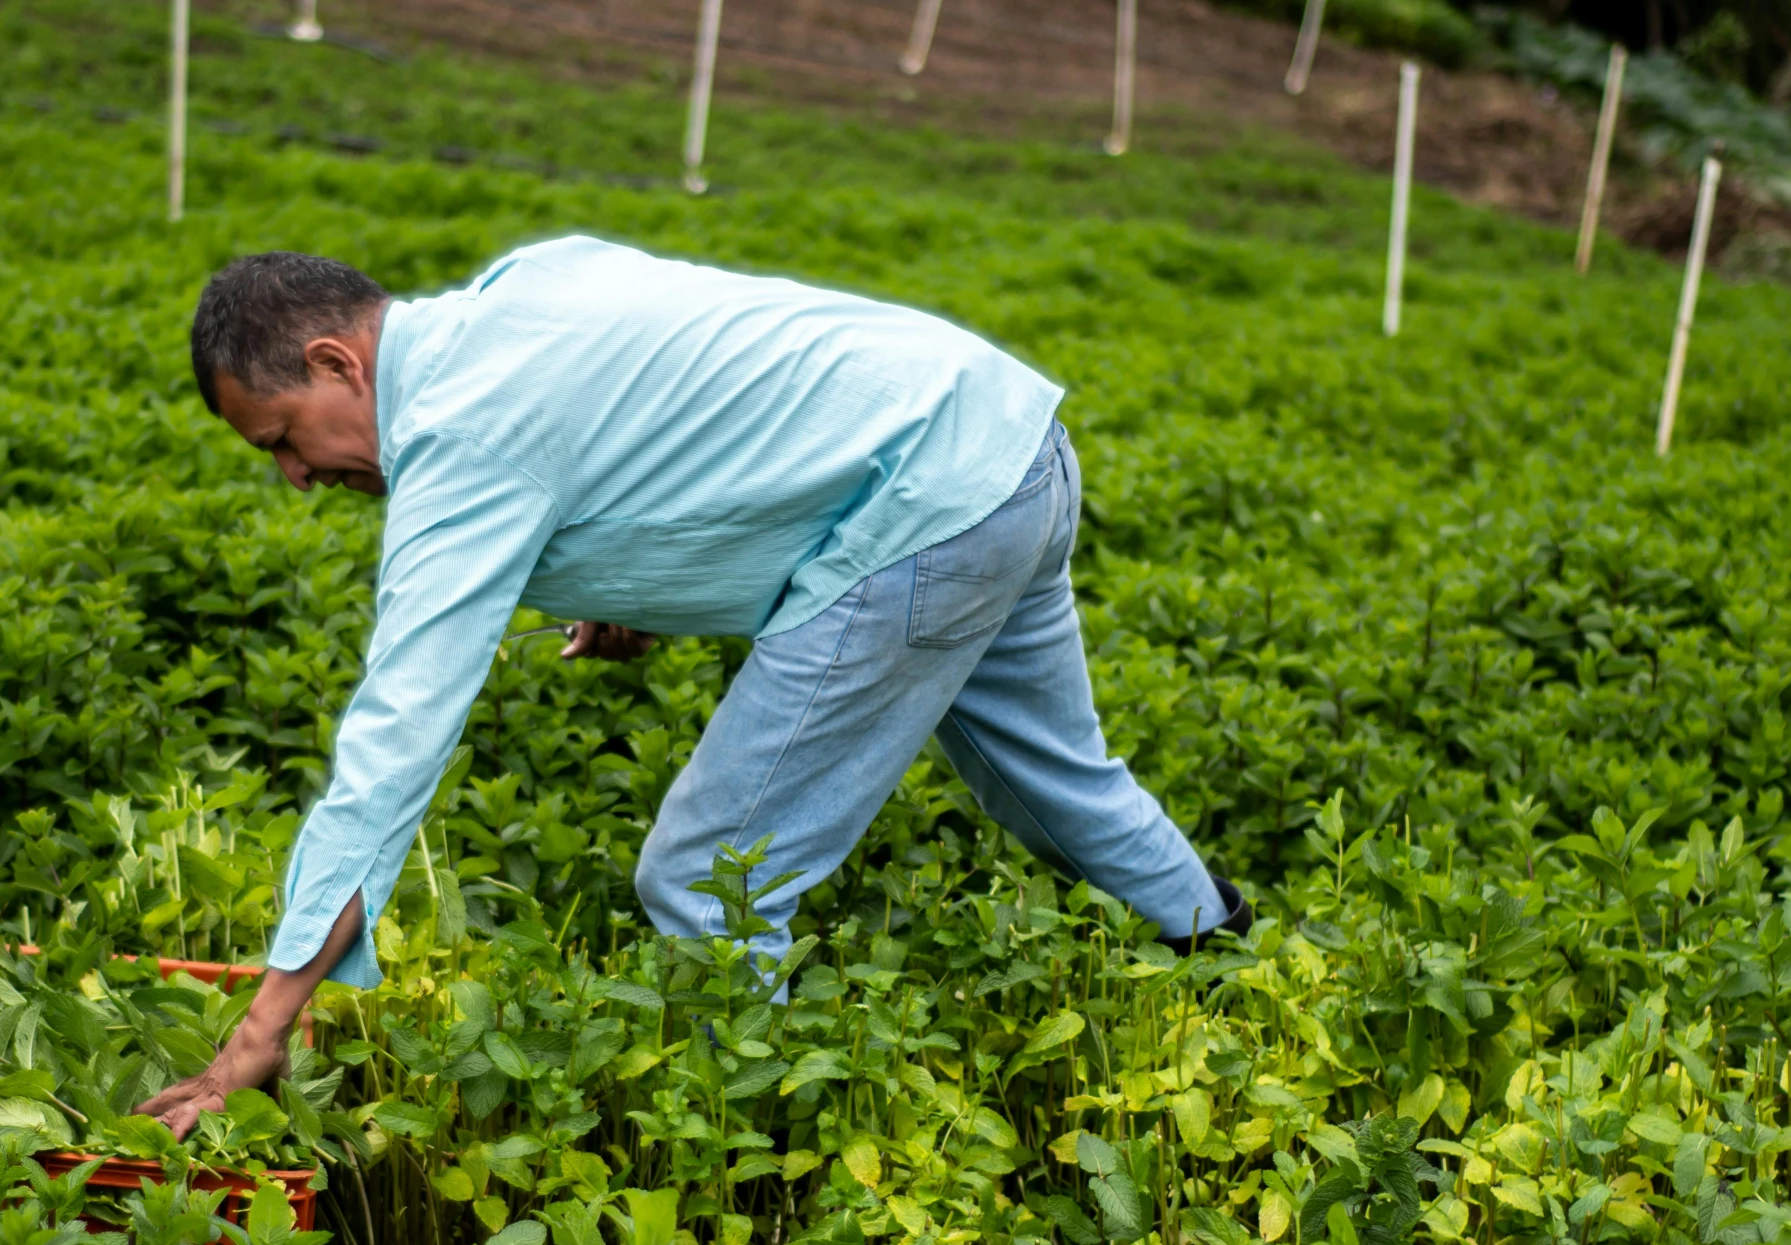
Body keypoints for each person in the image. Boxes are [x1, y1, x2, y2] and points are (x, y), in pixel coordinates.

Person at [135, 238, 1248, 1137]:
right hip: (1009, 444)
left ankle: (753, 1162)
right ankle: (1238, 960)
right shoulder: (520, 287)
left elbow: (393, 747)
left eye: (283, 439)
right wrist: (622, 577)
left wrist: (264, 1024)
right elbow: (662, 405)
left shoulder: (460, 436)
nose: (294, 476)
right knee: (1051, 777)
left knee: (708, 878)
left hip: (923, 506)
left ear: (338, 363)